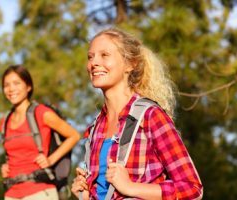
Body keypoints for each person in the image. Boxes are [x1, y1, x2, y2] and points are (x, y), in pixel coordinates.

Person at [71, 28, 203, 200]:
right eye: (90, 56)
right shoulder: (95, 128)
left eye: (104, 55)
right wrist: (84, 194)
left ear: (130, 64)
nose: (94, 63)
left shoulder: (150, 116)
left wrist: (131, 188)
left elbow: (192, 188)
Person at [0, 65, 80, 200]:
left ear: (28, 86)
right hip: (11, 193)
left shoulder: (41, 113)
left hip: (40, 192)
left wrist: (50, 159)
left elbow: (74, 135)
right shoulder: (4, 122)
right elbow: (15, 153)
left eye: (16, 83)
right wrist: (5, 166)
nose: (11, 89)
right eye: (6, 85)